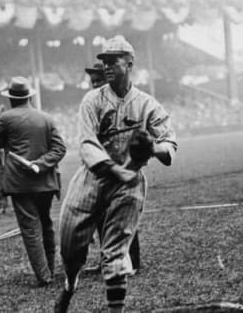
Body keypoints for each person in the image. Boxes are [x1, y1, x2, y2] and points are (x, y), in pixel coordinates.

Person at [55, 36, 177, 313]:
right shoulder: (92, 100)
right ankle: (70, 285)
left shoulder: (147, 104)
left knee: (115, 255)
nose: (106, 66)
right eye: (104, 61)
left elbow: (170, 147)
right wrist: (114, 170)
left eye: (113, 61)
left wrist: (153, 147)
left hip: (129, 185)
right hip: (91, 178)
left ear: (130, 63)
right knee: (71, 250)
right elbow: (86, 144)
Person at [0, 76, 66, 287]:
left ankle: (44, 276)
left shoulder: (5, 118)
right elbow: (60, 149)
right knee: (46, 224)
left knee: (31, 228)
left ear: (11, 98)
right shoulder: (46, 118)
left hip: (20, 184)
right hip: (46, 182)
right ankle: (50, 270)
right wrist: (41, 163)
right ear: (29, 96)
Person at [84, 62, 141, 275]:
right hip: (101, 172)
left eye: (99, 81)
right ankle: (106, 260)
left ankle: (132, 262)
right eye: (93, 82)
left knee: (124, 217)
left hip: (121, 168)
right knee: (101, 217)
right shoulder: (91, 106)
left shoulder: (121, 104)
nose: (95, 85)